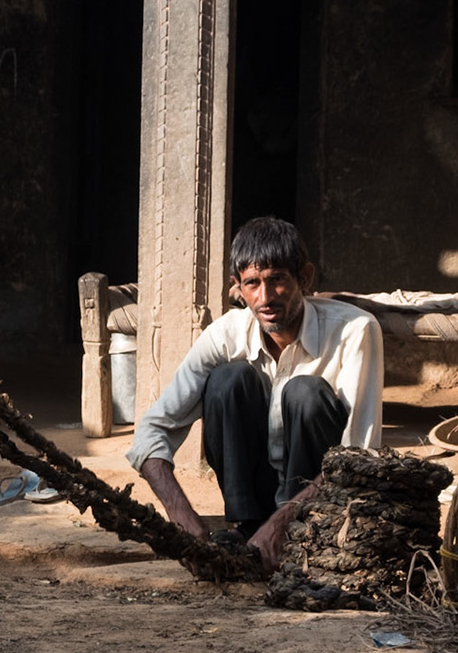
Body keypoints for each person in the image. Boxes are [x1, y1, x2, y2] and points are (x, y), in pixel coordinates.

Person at [130, 217, 382, 569]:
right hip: (254, 511)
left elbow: (360, 456)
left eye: (277, 280)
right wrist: (181, 516)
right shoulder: (224, 335)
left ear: (305, 278)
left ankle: (294, 534)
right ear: (237, 288)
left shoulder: (354, 331)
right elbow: (150, 431)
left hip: (319, 512)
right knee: (227, 381)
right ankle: (244, 527)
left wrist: (283, 523)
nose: (265, 298)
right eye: (252, 283)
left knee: (304, 393)